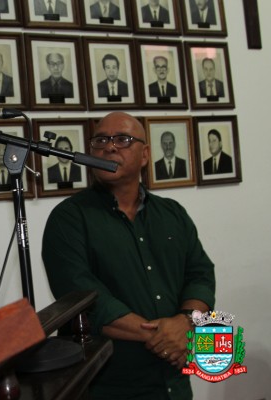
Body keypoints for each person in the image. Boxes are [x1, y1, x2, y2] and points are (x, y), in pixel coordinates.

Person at [42, 112, 215, 399]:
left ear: (145, 155)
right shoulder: (69, 218)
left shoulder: (173, 214)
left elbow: (201, 276)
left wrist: (186, 323)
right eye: (100, 141)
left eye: (122, 139)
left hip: (174, 383)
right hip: (109, 384)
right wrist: (167, 337)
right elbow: (82, 295)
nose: (110, 147)